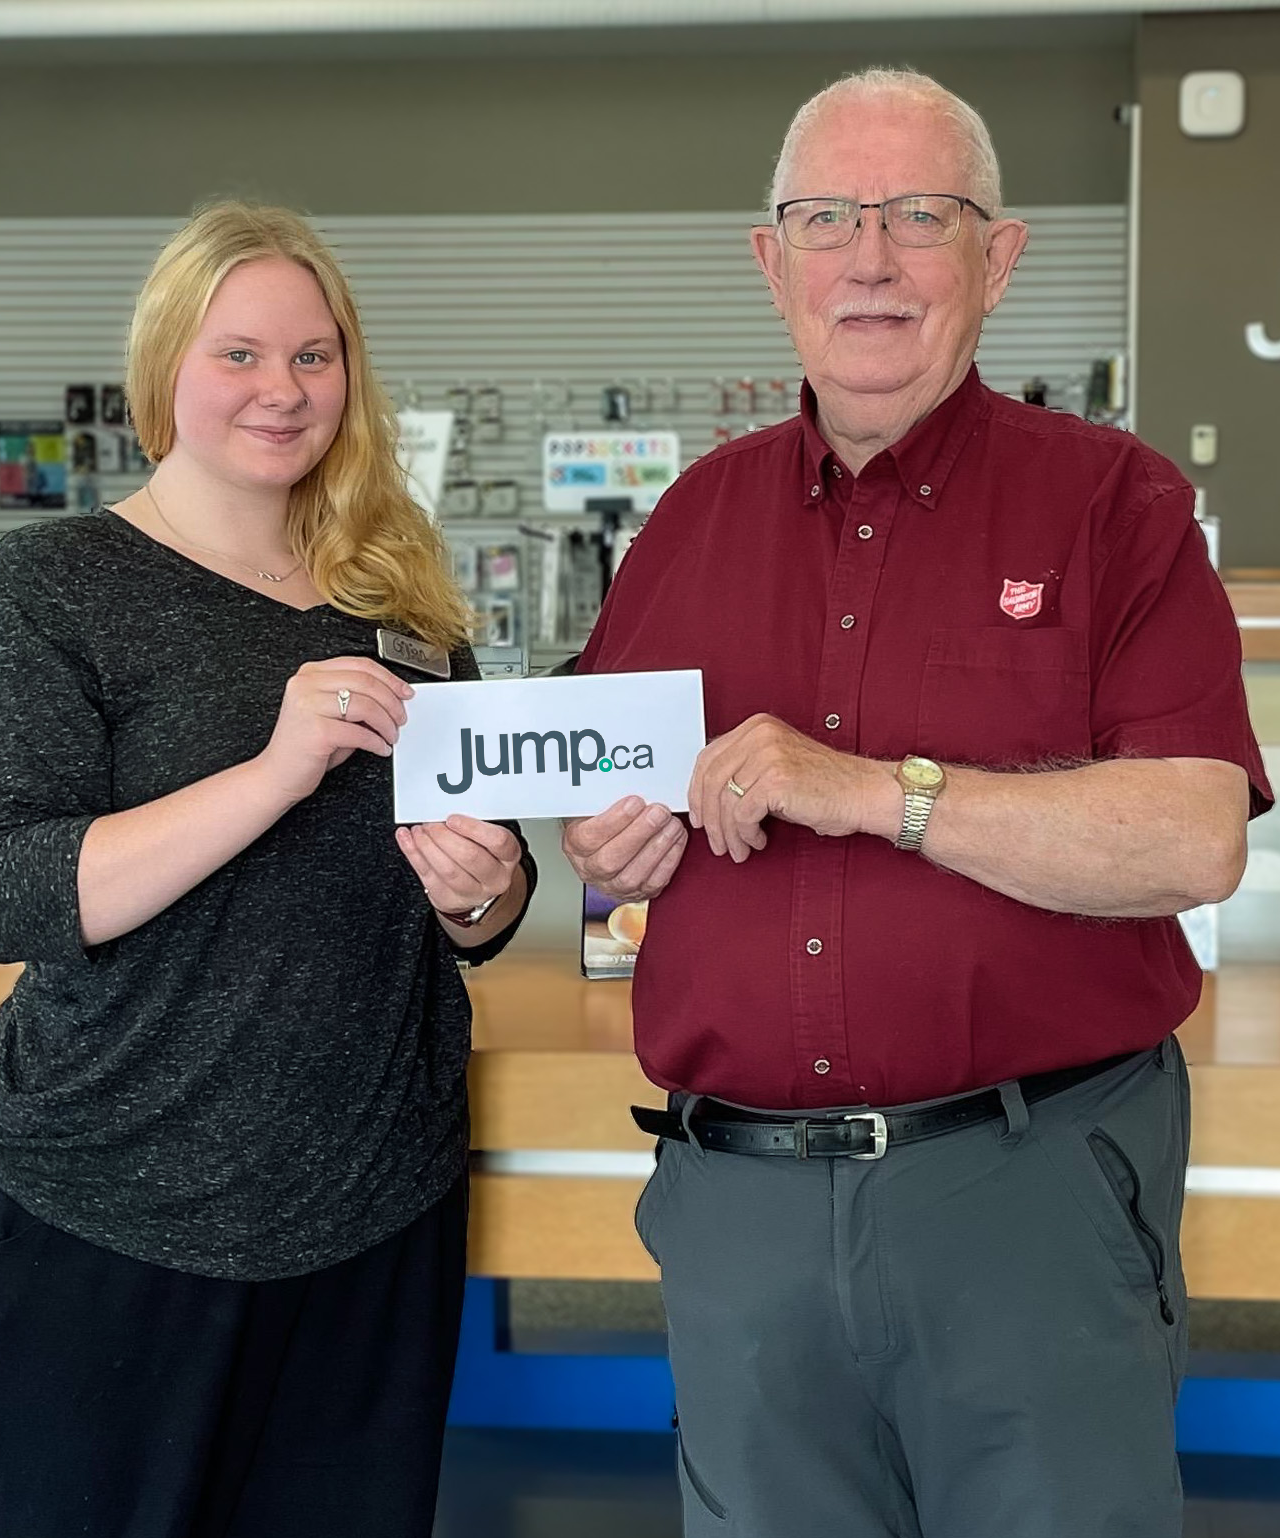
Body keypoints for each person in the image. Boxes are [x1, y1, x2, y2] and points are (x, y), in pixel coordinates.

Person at [561, 69, 1271, 1538]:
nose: (867, 259)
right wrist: (604, 841)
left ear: (995, 259)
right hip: (737, 1211)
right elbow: (602, 796)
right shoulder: (686, 522)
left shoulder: (1117, 510)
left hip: (1025, 1199)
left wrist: (877, 792)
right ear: (772, 261)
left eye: (918, 217)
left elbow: (1191, 835)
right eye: (825, 218)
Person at [0, 201, 535, 1538]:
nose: (282, 388)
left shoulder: (406, 598)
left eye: (314, 357)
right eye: (240, 354)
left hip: (372, 1218)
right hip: (103, 1215)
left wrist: (482, 892)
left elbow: (486, 896)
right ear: (167, 371)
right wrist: (271, 770)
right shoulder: (54, 582)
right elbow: (12, 895)